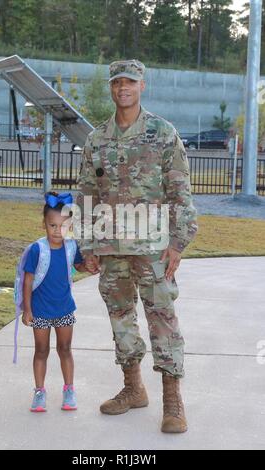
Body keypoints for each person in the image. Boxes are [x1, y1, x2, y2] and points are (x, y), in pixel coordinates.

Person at [76, 60, 198, 433]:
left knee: (162, 320)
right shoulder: (97, 139)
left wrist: (178, 242)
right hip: (111, 249)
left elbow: (180, 190)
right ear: (112, 88)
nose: (123, 88)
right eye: (117, 82)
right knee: (120, 319)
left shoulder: (163, 133)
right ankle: (133, 388)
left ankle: (172, 399)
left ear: (142, 86)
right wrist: (86, 246)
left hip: (153, 247)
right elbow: (86, 195)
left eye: (130, 82)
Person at [18, 192, 87, 413]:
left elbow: (79, 266)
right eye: (53, 226)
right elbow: (28, 282)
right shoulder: (37, 250)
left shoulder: (71, 246)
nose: (58, 231)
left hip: (64, 308)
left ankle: (69, 390)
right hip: (40, 311)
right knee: (41, 351)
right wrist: (27, 309)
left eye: (63, 226)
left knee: (65, 349)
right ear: (44, 224)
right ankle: (39, 392)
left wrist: (91, 266)